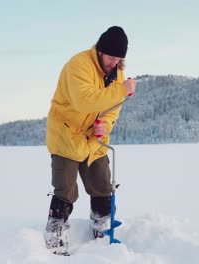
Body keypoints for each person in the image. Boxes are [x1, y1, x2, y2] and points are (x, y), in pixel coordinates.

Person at [44, 26, 136, 255]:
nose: (114, 63)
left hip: (93, 138)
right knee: (65, 187)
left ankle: (101, 224)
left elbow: (113, 108)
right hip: (67, 133)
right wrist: (121, 92)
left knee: (102, 182)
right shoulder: (79, 65)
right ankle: (55, 229)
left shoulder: (118, 74)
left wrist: (105, 124)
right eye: (111, 57)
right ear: (100, 51)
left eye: (119, 59)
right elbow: (84, 101)